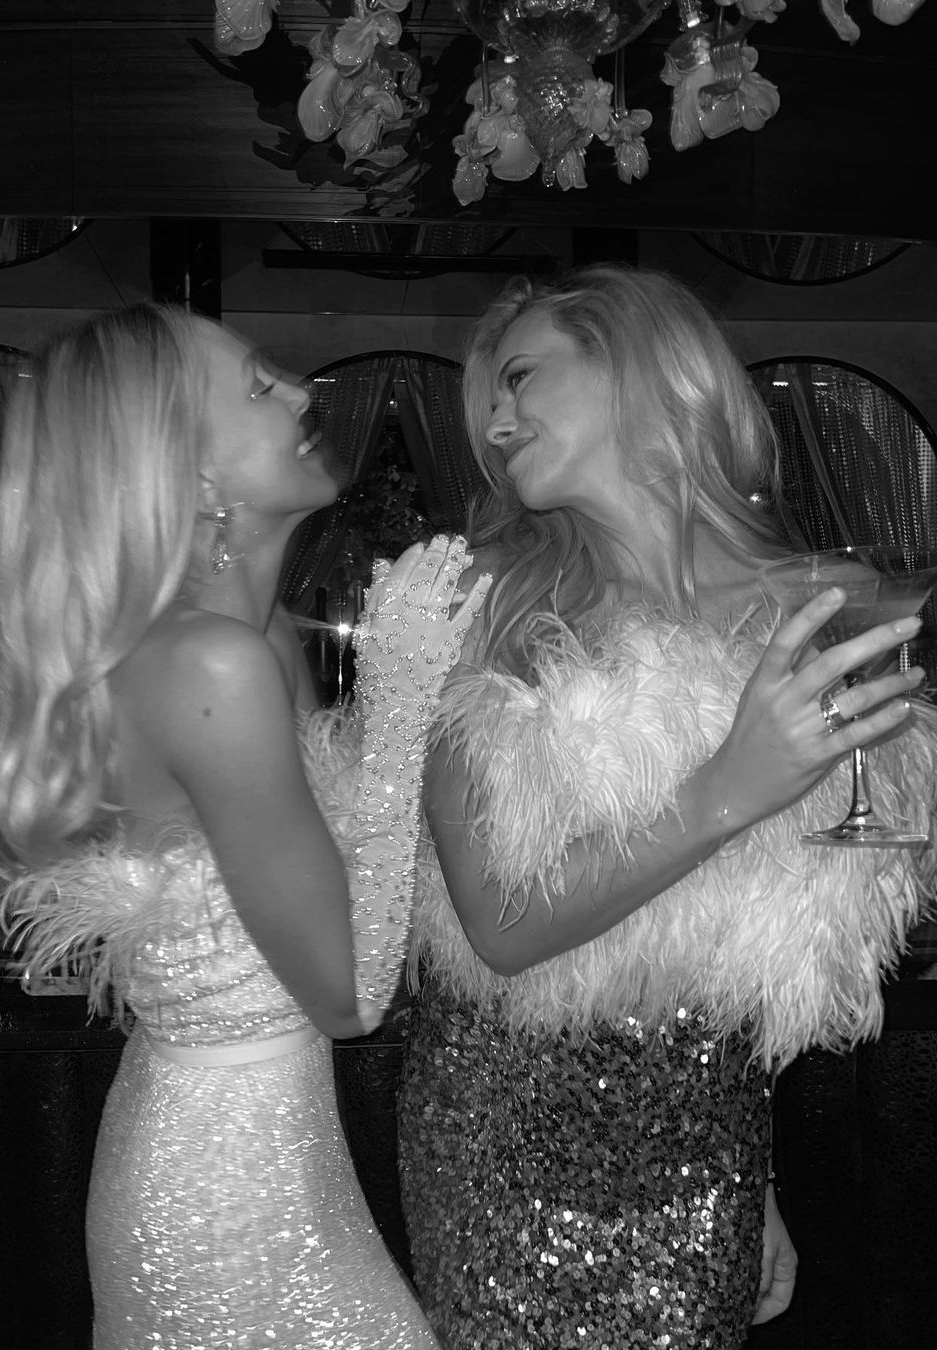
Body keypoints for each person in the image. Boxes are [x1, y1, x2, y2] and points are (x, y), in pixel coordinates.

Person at [395, 264, 937, 1350]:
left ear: (637, 365)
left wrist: (758, 1181)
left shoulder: (808, 607)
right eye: (487, 402)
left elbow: (756, 951)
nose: (494, 423)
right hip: (506, 1144)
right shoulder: (474, 606)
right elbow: (500, 927)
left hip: (709, 1146)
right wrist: (729, 787)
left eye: (519, 377)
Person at [0, 302, 489, 1349]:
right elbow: (350, 996)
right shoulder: (213, 665)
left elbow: (346, 876)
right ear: (191, 476)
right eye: (254, 385)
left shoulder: (257, 641)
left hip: (260, 1151)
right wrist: (401, 695)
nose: (297, 388)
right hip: (225, 1200)